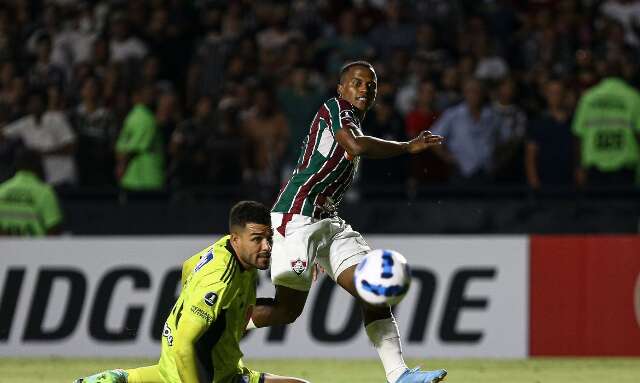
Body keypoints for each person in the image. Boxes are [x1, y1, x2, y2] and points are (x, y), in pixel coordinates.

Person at [249, 61, 447, 383]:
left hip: (328, 221)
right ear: (341, 88)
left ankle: (400, 375)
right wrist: (407, 146)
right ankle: (220, 323)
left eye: (371, 85)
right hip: (297, 216)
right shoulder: (334, 108)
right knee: (287, 311)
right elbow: (356, 145)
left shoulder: (351, 119)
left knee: (374, 289)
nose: (364, 88)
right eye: (357, 82)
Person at [75, 201, 310, 383]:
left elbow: (189, 266)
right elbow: (182, 346)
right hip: (210, 375)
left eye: (269, 238)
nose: (267, 247)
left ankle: (119, 379)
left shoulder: (230, 249)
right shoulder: (218, 281)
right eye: (257, 239)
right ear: (237, 240)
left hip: (224, 369)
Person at [0, 148, 62, 236]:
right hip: (37, 248)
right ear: (39, 165)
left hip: (6, 248)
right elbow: (53, 230)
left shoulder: (1, 190)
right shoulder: (44, 192)